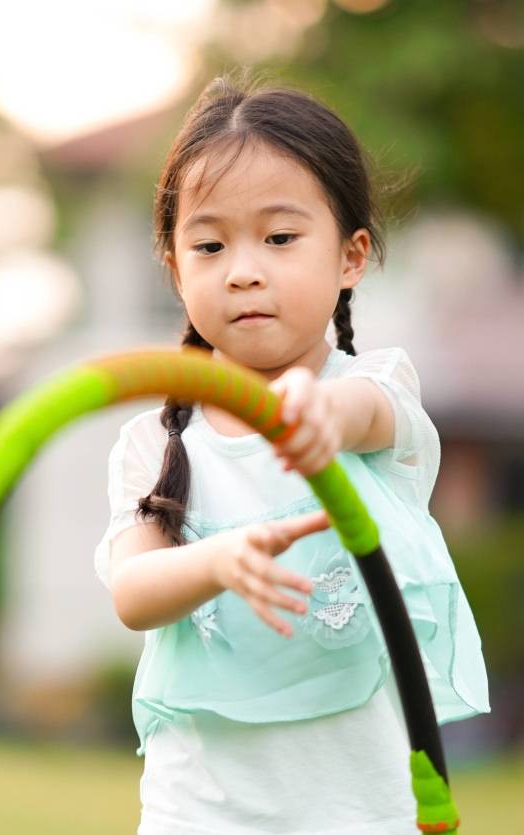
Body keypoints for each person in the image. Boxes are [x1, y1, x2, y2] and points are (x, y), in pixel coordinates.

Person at [94, 73, 489, 835]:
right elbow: (133, 589)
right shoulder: (156, 442)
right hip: (200, 811)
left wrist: (318, 415)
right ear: (177, 269)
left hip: (361, 809)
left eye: (279, 238)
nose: (243, 268)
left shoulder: (374, 388)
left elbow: (362, 414)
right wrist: (217, 560)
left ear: (351, 256)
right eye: (209, 245)